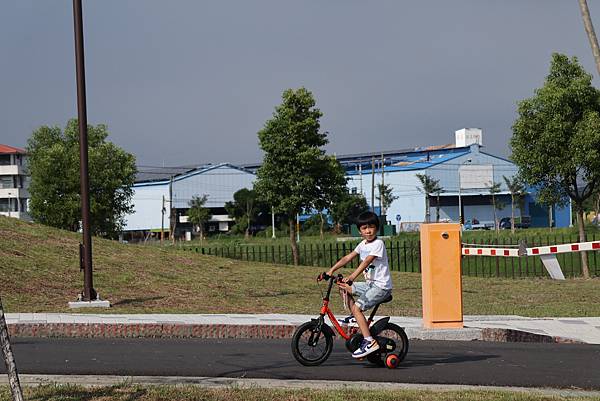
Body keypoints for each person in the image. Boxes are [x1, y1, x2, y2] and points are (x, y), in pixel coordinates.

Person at [325, 211, 393, 359]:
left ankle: (369, 341)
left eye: (371, 227)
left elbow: (367, 261)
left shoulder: (378, 244)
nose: (368, 231)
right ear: (359, 231)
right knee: (342, 287)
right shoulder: (362, 244)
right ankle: (355, 316)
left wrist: (352, 276)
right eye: (364, 228)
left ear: (377, 228)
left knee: (357, 307)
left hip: (381, 287)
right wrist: (330, 271)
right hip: (370, 285)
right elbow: (348, 257)